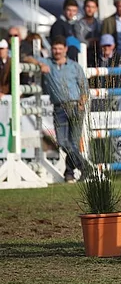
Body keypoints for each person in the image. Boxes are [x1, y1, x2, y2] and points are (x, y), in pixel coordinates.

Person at [23, 37, 89, 182]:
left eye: (60, 48)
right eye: (55, 48)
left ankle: (70, 173)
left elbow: (84, 85)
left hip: (76, 106)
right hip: (59, 108)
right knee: (62, 142)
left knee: (72, 143)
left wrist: (82, 102)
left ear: (65, 49)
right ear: (51, 49)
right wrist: (39, 64)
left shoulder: (74, 66)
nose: (57, 51)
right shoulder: (48, 63)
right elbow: (26, 58)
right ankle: (84, 167)